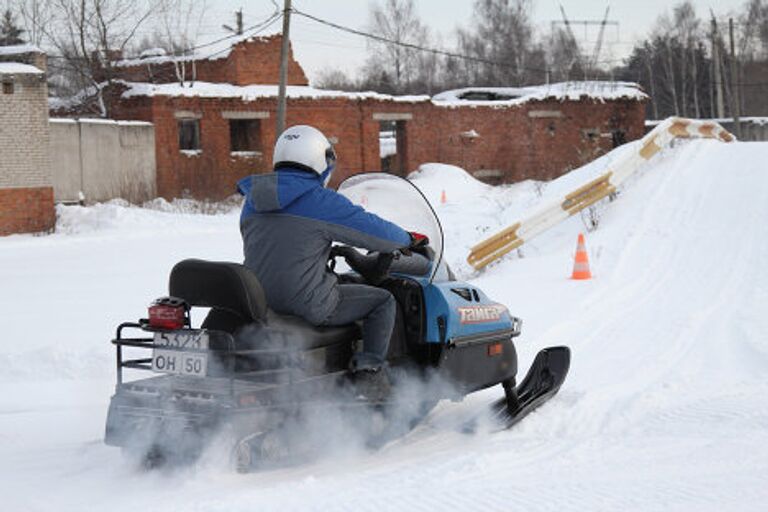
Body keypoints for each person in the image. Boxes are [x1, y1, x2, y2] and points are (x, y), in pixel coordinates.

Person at [236, 125, 423, 385]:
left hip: (259, 300)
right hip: (308, 303)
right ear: (319, 160)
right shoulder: (320, 200)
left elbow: (278, 245)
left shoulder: (253, 200)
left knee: (345, 284)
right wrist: (407, 239)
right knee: (383, 301)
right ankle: (370, 378)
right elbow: (376, 233)